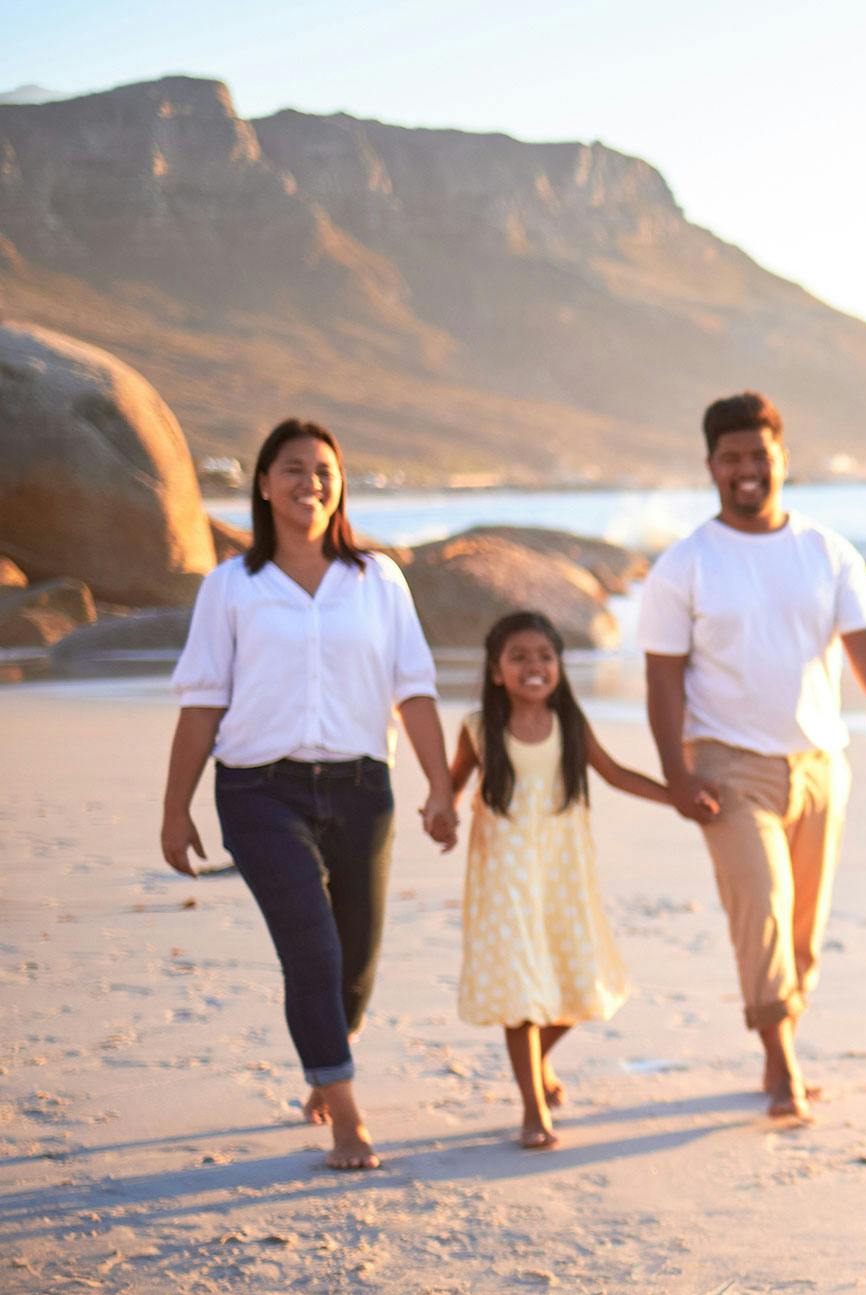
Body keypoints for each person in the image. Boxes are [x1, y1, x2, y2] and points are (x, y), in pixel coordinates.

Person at [161, 418, 457, 1171]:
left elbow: (414, 690)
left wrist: (441, 786)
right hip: (260, 790)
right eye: (293, 470)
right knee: (312, 948)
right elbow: (201, 703)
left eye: (324, 471)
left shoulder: (378, 581)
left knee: (356, 961)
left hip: (363, 788)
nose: (310, 484)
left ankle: (328, 1046)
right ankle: (345, 1111)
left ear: (340, 485)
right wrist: (175, 808)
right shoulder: (231, 588)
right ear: (263, 484)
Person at [641, 391, 866, 1120]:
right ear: (711, 467)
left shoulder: (826, 550)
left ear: (782, 458)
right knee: (760, 910)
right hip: (728, 766)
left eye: (759, 455)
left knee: (803, 930)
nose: (747, 470)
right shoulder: (685, 565)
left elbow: (861, 636)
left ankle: (781, 1037)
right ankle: (780, 1061)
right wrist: (676, 773)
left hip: (820, 765)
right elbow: (662, 677)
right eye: (732, 459)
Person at [449, 612, 674, 1148]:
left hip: (562, 876)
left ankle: (535, 1065)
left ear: (560, 667)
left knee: (581, 985)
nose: (534, 666)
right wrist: (439, 810)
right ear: (496, 670)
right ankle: (532, 1112)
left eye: (545, 657)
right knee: (523, 991)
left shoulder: (571, 725)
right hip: (504, 879)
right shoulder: (479, 729)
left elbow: (615, 773)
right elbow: (452, 786)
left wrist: (679, 798)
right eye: (519, 657)